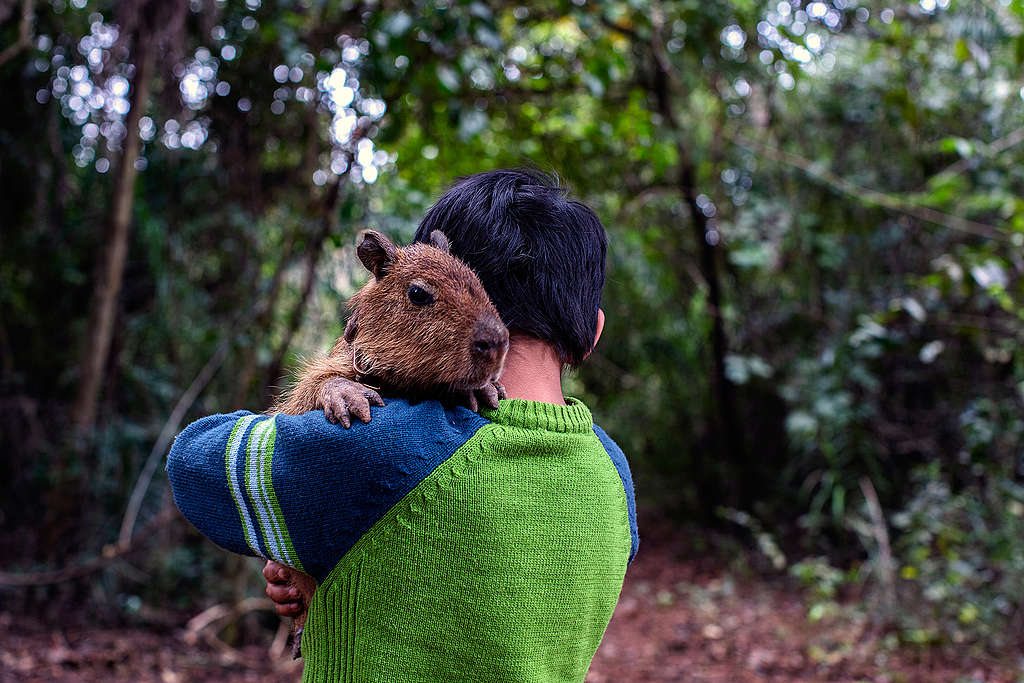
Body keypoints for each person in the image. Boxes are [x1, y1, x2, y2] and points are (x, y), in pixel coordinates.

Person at [166, 169, 638, 682]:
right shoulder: (614, 474)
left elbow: (193, 463)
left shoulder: (387, 451)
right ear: (593, 333)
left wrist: (304, 519)